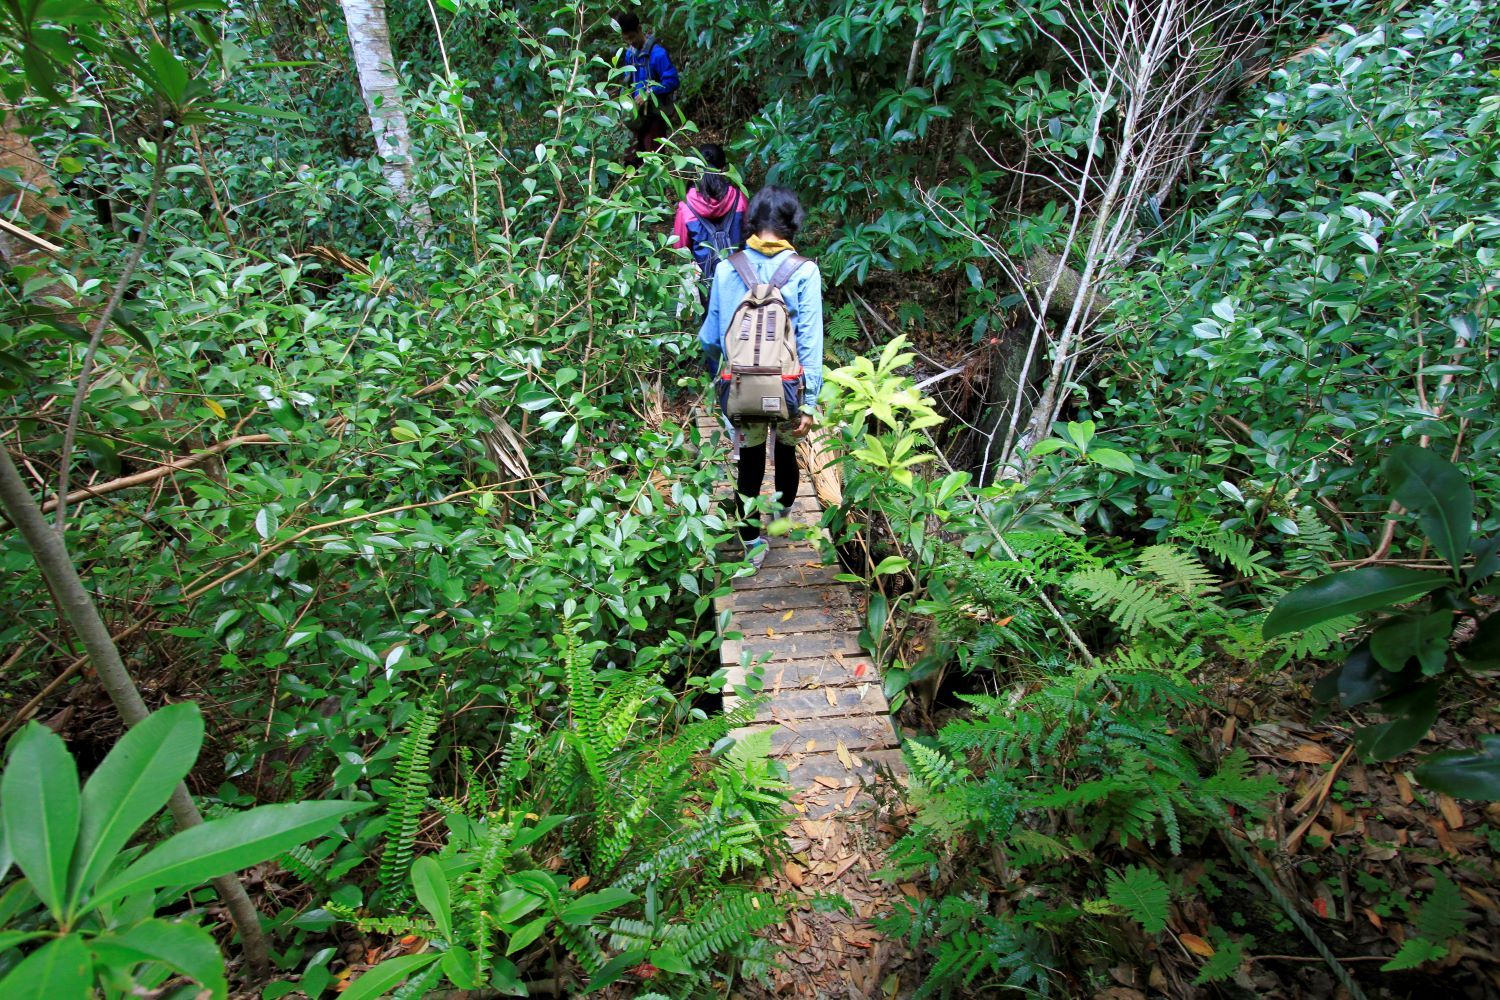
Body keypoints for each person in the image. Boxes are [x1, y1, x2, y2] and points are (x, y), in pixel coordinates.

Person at [699, 186, 824, 571]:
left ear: (751, 222)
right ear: (792, 225)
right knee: (786, 451)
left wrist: (720, 382)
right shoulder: (804, 271)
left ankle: (752, 542)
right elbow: (810, 339)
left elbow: (710, 337)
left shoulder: (725, 268)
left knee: (750, 460)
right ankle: (782, 517)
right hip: (787, 387)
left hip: (741, 388)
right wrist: (809, 400)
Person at [672, 144, 747, 311]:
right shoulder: (739, 198)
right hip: (740, 278)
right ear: (724, 168)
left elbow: (679, 248)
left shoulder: (686, 206)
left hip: (706, 283)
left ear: (694, 171)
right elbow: (750, 236)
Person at [614, 11, 679, 167]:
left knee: (653, 159)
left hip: (655, 114)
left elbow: (672, 81)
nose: (631, 42)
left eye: (632, 37)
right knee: (631, 159)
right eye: (626, 39)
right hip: (637, 116)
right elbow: (628, 82)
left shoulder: (658, 54)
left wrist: (649, 93)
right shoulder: (630, 54)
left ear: (639, 29)